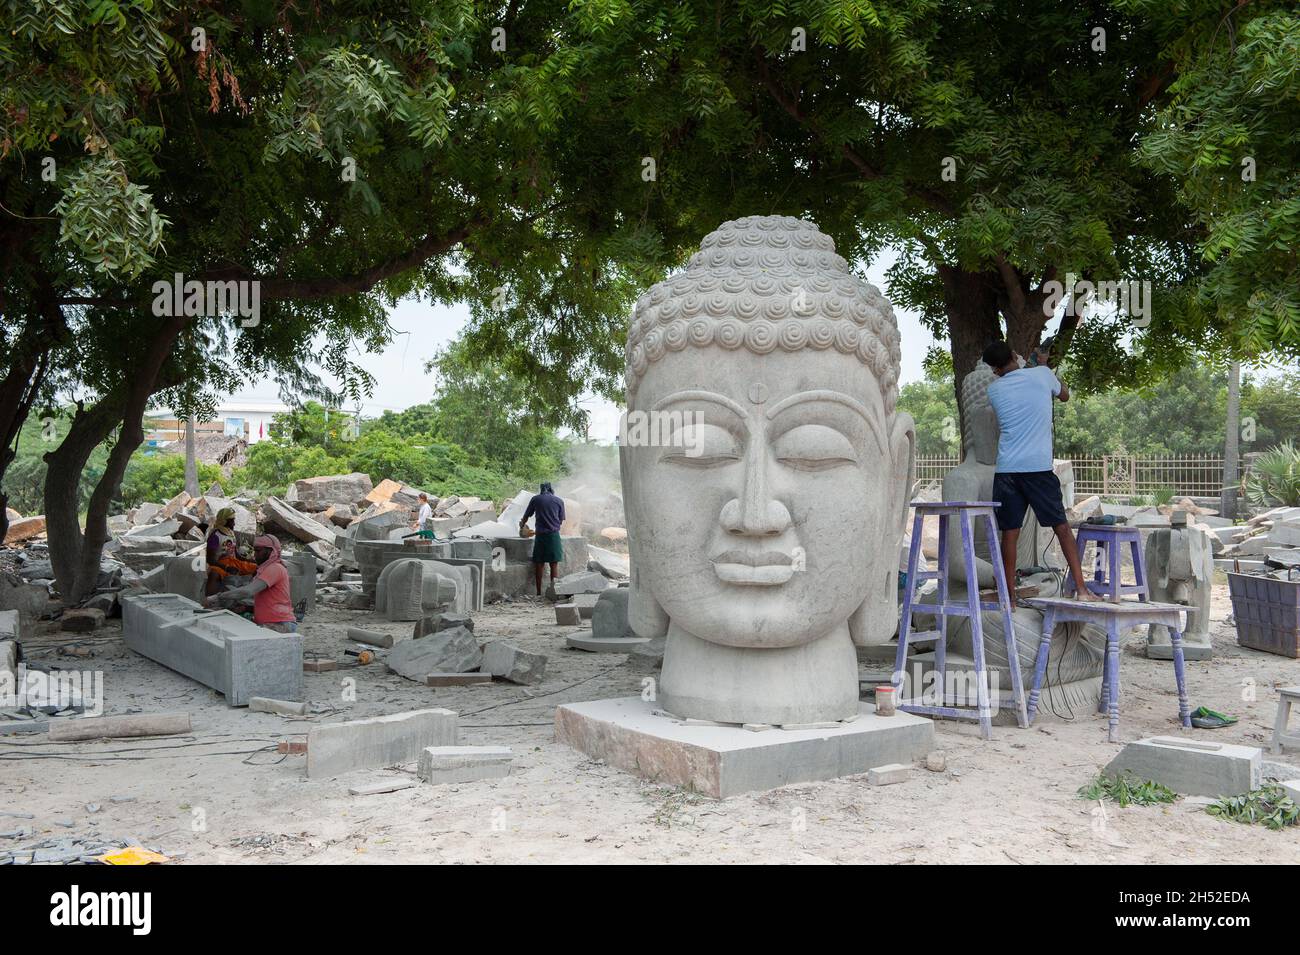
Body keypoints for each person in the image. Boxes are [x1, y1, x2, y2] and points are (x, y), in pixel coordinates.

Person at [982, 340, 1099, 608]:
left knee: (1010, 534)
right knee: (1061, 527)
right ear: (1015, 354)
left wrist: (1033, 367)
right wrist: (1043, 366)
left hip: (1008, 470)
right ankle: (1081, 588)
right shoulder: (1042, 375)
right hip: (1038, 468)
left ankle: (1009, 597)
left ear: (994, 369)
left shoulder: (994, 389)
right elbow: (1065, 395)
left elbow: (1017, 382)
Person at [203, 534, 298, 632]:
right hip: (273, 622)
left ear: (271, 551)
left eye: (258, 551)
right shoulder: (267, 569)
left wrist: (218, 597)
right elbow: (267, 600)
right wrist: (247, 608)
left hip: (281, 623)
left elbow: (247, 591)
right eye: (255, 551)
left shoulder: (275, 568)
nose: (255, 555)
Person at [520, 482, 565, 596]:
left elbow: (526, 515)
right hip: (554, 536)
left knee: (539, 564)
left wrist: (522, 525)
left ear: (541, 489)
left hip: (540, 535)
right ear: (551, 489)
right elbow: (560, 520)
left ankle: (539, 593)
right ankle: (554, 591)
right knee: (553, 564)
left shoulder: (536, 499)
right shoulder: (559, 501)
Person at [203, 507, 257, 596]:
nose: (234, 523)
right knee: (214, 574)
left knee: (257, 568)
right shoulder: (215, 536)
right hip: (219, 564)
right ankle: (209, 600)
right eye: (231, 520)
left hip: (233, 562)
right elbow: (210, 560)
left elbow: (236, 554)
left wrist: (250, 560)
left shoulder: (231, 533)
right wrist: (226, 567)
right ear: (224, 521)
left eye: (233, 520)